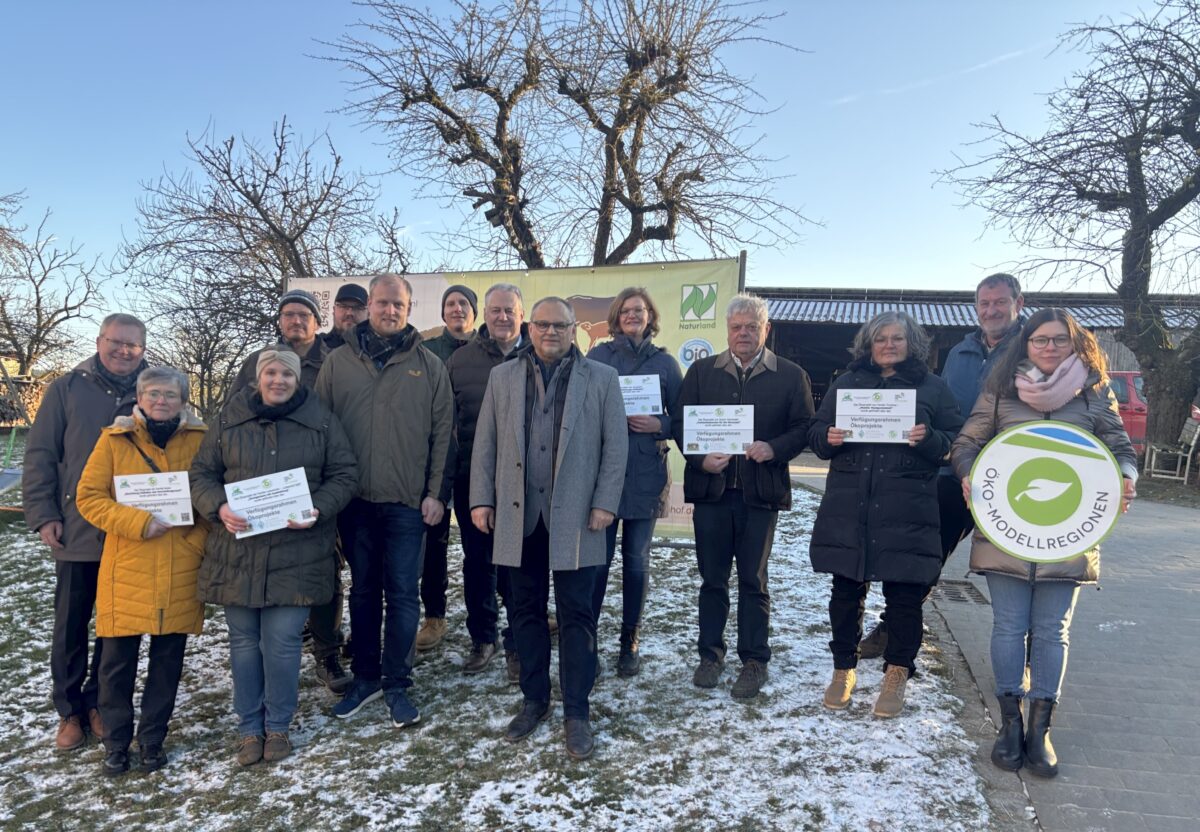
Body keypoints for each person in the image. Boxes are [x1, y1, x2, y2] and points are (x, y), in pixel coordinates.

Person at [951, 308, 1136, 778]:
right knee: (1009, 627)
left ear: (1076, 344)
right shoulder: (1000, 391)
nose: (1049, 348)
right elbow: (966, 443)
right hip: (1006, 532)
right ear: (1026, 345)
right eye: (1040, 340)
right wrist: (969, 473)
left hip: (1068, 534)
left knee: (1053, 631)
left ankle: (1041, 728)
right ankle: (1010, 724)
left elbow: (1119, 447)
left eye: (1059, 340)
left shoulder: (1095, 393)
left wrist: (1127, 477)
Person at [470, 296, 627, 760]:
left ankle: (576, 711)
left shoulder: (601, 378)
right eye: (542, 324)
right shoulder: (502, 378)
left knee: (578, 617)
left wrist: (604, 505)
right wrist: (481, 499)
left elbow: (615, 449)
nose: (551, 332)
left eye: (560, 325)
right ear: (529, 327)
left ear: (575, 328)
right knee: (525, 613)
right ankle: (535, 700)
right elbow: (486, 442)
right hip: (519, 518)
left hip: (579, 517)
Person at [191, 349, 358, 765]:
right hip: (238, 551)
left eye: (287, 373)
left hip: (297, 550)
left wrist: (318, 507)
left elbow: (344, 473)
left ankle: (278, 725)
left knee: (281, 641)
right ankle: (250, 729)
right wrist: (218, 507)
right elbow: (202, 474)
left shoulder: (320, 420)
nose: (278, 379)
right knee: (245, 643)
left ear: (298, 379)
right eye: (270, 372)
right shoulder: (230, 419)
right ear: (258, 376)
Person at [860, 272, 1026, 660]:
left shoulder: (1032, 348)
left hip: (1013, 475)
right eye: (984, 304)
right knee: (925, 552)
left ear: (1019, 303)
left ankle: (1030, 653)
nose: (991, 310)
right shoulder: (961, 352)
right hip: (955, 471)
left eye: (1000, 302)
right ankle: (895, 625)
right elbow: (944, 412)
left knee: (1026, 568)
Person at [807, 311, 963, 718]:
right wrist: (828, 437)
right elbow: (816, 433)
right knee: (845, 592)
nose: (889, 345)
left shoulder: (933, 388)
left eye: (897, 339)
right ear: (868, 345)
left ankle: (897, 674)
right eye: (881, 339)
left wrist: (930, 440)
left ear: (912, 344)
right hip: (850, 505)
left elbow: (956, 441)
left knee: (905, 598)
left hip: (907, 507)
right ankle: (844, 670)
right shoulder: (846, 384)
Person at [315, 274, 454, 728]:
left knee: (403, 594)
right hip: (354, 502)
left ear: (409, 309)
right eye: (382, 303)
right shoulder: (338, 363)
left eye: (398, 304)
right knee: (363, 592)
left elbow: (443, 436)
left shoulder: (430, 365)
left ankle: (398, 682)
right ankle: (366, 678)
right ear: (368, 306)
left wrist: (436, 494)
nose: (389, 310)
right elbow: (321, 430)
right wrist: (327, 495)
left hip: (408, 503)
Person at [672, 293, 814, 700]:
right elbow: (682, 423)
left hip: (759, 495)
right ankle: (710, 656)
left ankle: (754, 660)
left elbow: (804, 427)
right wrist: (700, 460)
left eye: (752, 327)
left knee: (754, 580)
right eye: (737, 327)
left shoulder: (790, 375)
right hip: (712, 494)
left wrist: (774, 448)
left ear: (765, 329)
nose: (744, 334)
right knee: (712, 579)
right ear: (727, 330)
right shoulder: (701, 372)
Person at [23, 313, 148, 751]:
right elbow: (40, 456)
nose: (123, 351)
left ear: (143, 349)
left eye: (132, 345)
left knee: (115, 628)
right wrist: (43, 514)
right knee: (71, 625)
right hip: (77, 528)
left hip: (130, 531)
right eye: (116, 342)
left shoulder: (151, 392)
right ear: (99, 342)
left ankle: (100, 702)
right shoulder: (65, 389)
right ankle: (70, 710)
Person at [75, 367, 208, 775]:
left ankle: (152, 738)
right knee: (116, 665)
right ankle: (116, 742)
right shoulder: (113, 441)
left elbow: (210, 497)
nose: (161, 400)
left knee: (168, 661)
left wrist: (195, 542)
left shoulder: (201, 442)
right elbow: (89, 497)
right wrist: (138, 523)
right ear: (139, 398)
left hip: (180, 565)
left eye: (170, 394)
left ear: (183, 400)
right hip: (128, 565)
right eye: (153, 393)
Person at [229, 287, 350, 694]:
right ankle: (275, 649)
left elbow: (342, 417)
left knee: (325, 570)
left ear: (318, 323)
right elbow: (234, 417)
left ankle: (327, 652)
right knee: (268, 567)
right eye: (289, 315)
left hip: (316, 482)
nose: (296, 321)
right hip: (265, 486)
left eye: (304, 315)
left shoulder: (333, 363)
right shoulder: (256, 362)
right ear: (279, 321)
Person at [586, 287, 682, 677]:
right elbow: (582, 409)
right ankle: (586, 638)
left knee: (636, 562)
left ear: (650, 315)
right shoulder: (597, 357)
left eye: (639, 310)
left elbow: (683, 416)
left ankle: (630, 640)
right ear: (615, 316)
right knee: (597, 563)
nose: (633, 315)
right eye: (626, 310)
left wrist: (660, 424)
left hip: (646, 473)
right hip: (602, 475)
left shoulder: (666, 364)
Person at [444, 283, 529, 679]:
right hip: (472, 479)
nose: (502, 317)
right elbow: (446, 425)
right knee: (478, 563)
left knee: (518, 563)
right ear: (484, 315)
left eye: (509, 310)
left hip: (525, 480)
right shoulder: (461, 361)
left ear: (521, 314)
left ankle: (518, 641)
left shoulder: (539, 355)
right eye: (495, 310)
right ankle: (483, 638)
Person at [415, 284, 479, 655]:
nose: (457, 309)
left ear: (474, 311)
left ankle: (503, 607)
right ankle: (434, 616)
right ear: (442, 313)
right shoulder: (427, 351)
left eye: (463, 303)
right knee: (434, 545)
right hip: (435, 459)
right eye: (450, 304)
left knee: (484, 545)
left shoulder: (487, 348)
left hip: (475, 459)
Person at [324, 283, 370, 350]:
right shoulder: (318, 347)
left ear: (368, 313)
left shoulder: (377, 350)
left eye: (357, 308)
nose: (349, 313)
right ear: (334, 310)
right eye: (343, 306)